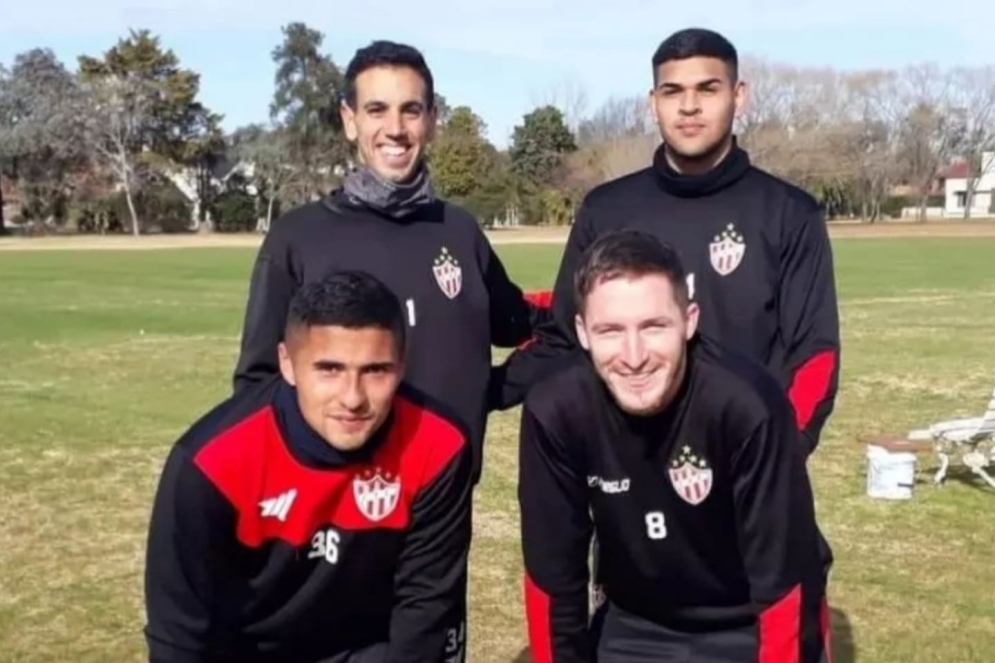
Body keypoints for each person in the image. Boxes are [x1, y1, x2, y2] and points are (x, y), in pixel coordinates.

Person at [493, 26, 840, 456]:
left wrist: (780, 454)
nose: (689, 106)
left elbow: (815, 355)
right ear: (653, 103)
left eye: (708, 89)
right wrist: (479, 393)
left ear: (739, 96)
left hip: (745, 458)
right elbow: (565, 336)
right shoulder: (606, 209)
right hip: (628, 464)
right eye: (673, 91)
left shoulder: (789, 212)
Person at [232, 39, 546, 486]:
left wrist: (486, 392)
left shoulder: (459, 232)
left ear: (432, 119)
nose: (395, 128)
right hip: (337, 504)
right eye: (376, 110)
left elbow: (523, 325)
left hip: (445, 501)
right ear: (350, 120)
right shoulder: (298, 237)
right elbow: (258, 383)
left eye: (411, 110)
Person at [518, 230, 831, 663]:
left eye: (653, 327)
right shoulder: (555, 410)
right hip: (635, 623)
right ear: (582, 332)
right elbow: (552, 579)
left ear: (689, 321)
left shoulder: (748, 405)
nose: (633, 356)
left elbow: (784, 580)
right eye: (610, 330)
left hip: (746, 619)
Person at [144, 270, 472, 663]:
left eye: (375, 370)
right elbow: (178, 635)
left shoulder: (439, 445)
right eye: (329, 369)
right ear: (287, 363)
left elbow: (425, 610)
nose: (352, 398)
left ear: (401, 366)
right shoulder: (210, 462)